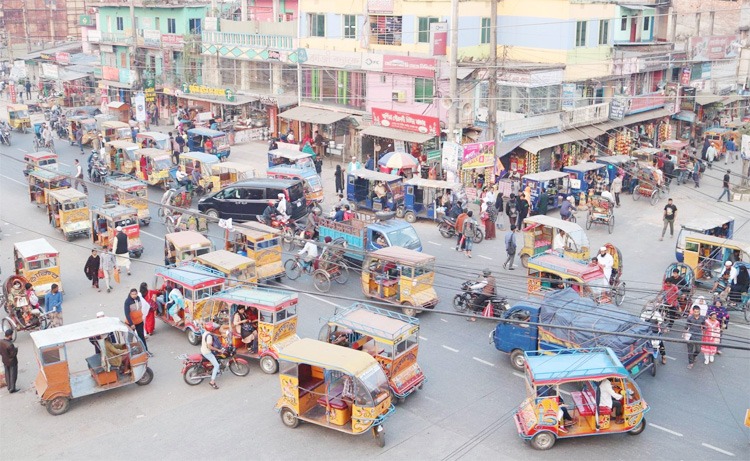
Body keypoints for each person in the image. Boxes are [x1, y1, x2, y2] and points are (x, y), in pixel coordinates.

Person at [124, 288, 150, 355]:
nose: (134, 295)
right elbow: (127, 314)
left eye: (135, 294)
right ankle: (129, 353)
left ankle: (145, 351)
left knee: (141, 337)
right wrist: (131, 324)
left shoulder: (138, 298)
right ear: (130, 294)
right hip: (130, 323)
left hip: (139, 321)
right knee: (130, 339)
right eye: (133, 294)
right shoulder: (127, 302)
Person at [201, 322, 222, 389]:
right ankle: (212, 381)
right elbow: (210, 347)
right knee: (216, 365)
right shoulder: (209, 336)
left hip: (203, 349)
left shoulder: (205, 333)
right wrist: (218, 350)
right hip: (207, 352)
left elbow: (211, 334)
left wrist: (220, 336)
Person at [0, 329, 19, 393]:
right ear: (10, 335)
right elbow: (13, 354)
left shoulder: (1, 341)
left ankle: (9, 386)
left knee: (7, 374)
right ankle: (12, 388)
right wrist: (16, 349)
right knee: (13, 374)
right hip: (12, 362)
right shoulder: (10, 345)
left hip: (5, 360)